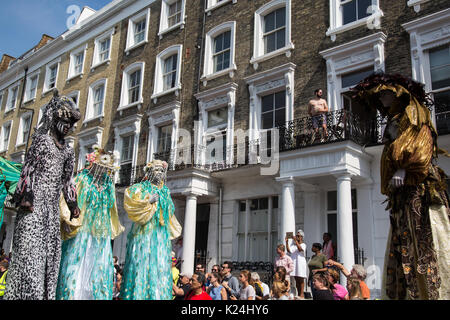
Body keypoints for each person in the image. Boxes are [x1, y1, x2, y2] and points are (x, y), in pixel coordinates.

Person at [353, 73, 450, 300]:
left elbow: (422, 143)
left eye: (387, 93)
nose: (383, 98)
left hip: (417, 189)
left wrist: (405, 168)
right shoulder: (395, 119)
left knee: (423, 237)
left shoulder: (414, 115)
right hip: (403, 196)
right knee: (404, 239)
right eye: (381, 94)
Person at [5, 91, 81, 300]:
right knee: (30, 254)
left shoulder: (68, 151)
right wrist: (26, 196)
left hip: (50, 210)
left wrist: (73, 203)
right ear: (55, 119)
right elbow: (28, 169)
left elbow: (67, 180)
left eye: (70, 124)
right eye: (64, 122)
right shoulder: (41, 141)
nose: (68, 127)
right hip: (33, 206)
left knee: (48, 255)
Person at [56, 147, 124, 300]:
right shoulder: (82, 179)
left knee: (97, 266)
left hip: (100, 233)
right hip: (82, 230)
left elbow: (111, 208)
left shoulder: (108, 186)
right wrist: (70, 218)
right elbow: (68, 199)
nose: (103, 171)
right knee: (78, 263)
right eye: (101, 167)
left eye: (106, 168)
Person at [120, 160, 182, 300]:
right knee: (142, 264)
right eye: (157, 170)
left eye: (162, 171)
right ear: (149, 172)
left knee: (158, 266)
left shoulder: (165, 191)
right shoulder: (140, 188)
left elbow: (169, 212)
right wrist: (148, 201)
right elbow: (131, 204)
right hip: (144, 234)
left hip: (159, 235)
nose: (160, 173)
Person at [286, 229, 307, 299]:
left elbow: (300, 249)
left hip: (300, 264)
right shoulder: (294, 245)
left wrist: (295, 241)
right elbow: (289, 251)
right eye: (296, 236)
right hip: (295, 263)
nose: (297, 237)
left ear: (301, 237)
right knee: (296, 279)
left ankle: (302, 294)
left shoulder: (303, 244)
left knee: (301, 279)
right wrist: (286, 242)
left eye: (298, 236)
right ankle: (298, 294)